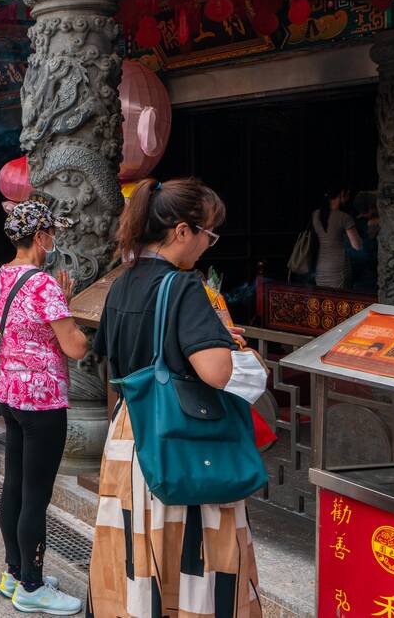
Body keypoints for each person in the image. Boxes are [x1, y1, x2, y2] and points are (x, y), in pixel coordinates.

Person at [87, 177, 265, 617]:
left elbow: (113, 367)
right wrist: (228, 341)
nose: (208, 245)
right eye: (208, 233)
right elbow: (216, 371)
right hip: (180, 440)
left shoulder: (121, 282)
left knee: (136, 556)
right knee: (193, 557)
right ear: (182, 231)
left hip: (129, 438)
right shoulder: (184, 288)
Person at [0, 200, 88, 615]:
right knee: (36, 495)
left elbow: (12, 324)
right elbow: (74, 346)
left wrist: (58, 304)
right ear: (40, 236)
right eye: (52, 234)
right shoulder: (44, 284)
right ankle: (32, 586)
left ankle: (14, 572)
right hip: (43, 399)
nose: (55, 241)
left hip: (10, 394)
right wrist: (72, 316)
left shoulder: (4, 275)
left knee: (14, 485)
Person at [312, 188, 363, 289]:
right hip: (339, 270)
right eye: (347, 194)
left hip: (320, 269)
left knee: (325, 302)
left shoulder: (315, 215)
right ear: (341, 195)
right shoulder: (344, 217)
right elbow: (357, 246)